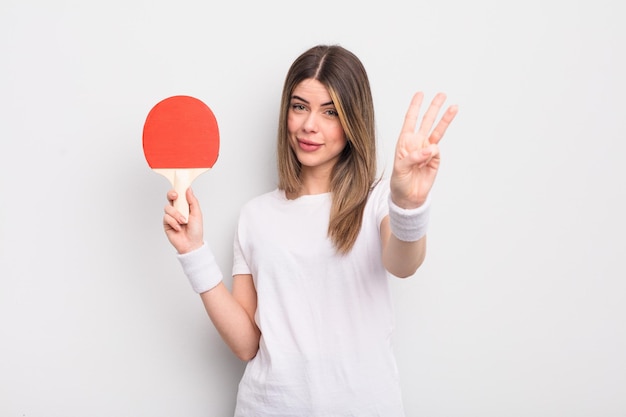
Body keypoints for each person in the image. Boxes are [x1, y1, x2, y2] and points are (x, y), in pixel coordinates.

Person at [162, 44, 458, 416]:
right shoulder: (256, 215)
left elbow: (404, 263)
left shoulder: (380, 201)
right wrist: (193, 251)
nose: (309, 125)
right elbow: (246, 345)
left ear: (354, 121)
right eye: (300, 106)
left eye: (330, 111)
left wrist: (409, 206)